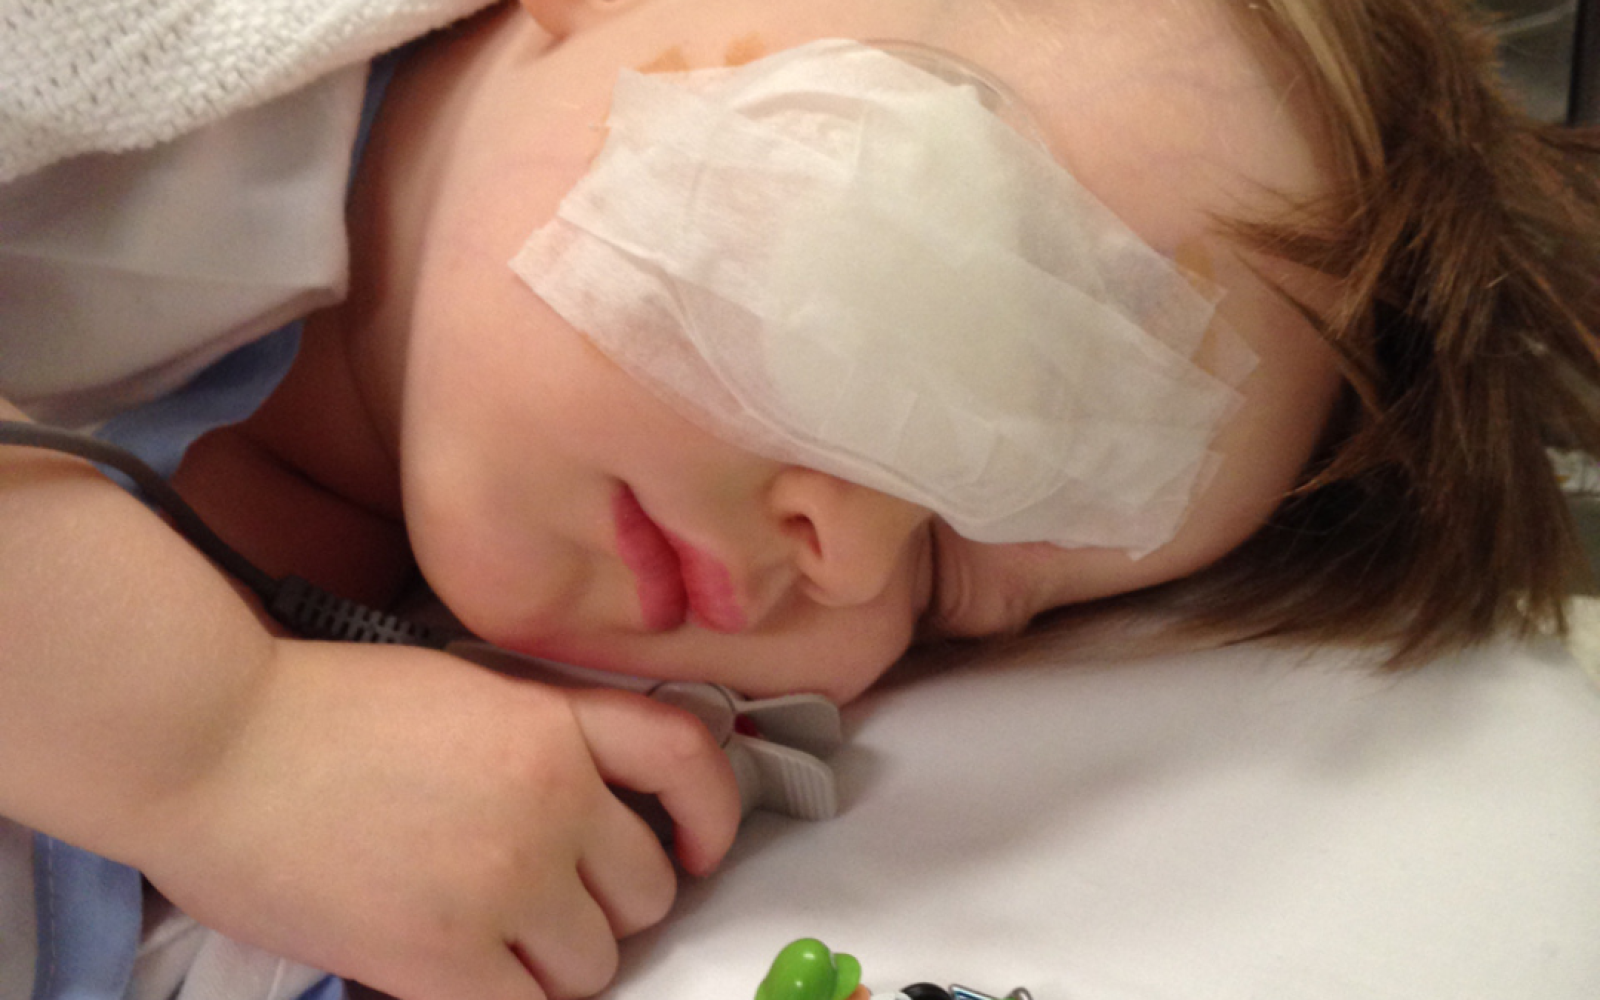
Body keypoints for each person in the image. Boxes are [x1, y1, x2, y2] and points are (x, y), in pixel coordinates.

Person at [1, 0, 1597, 998]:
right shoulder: (112, 124)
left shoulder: (480, 719)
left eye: (964, 573)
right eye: (944, 326)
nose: (856, 547)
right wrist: (215, 741)